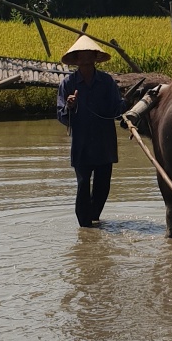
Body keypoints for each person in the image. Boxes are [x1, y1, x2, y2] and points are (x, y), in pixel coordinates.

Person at [56, 34, 123, 228]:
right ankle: (85, 227)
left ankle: (93, 221)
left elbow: (116, 110)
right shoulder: (67, 84)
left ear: (95, 57)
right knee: (83, 185)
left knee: (103, 187)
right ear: (76, 59)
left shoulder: (107, 82)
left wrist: (126, 105)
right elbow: (61, 116)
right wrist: (70, 106)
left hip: (104, 143)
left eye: (89, 54)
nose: (85, 59)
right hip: (82, 144)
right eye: (81, 55)